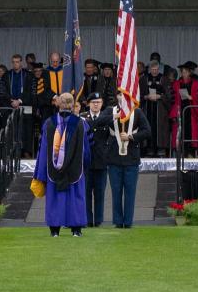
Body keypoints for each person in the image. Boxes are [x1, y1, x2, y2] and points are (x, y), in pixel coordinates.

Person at [32, 92, 89, 237]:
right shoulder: (81, 123)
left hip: (54, 168)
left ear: (58, 103)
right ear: (72, 105)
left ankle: (55, 231)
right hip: (75, 169)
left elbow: (43, 149)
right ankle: (76, 230)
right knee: (75, 198)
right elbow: (86, 149)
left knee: (56, 198)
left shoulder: (49, 123)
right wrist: (86, 165)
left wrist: (41, 172)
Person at [94, 98, 150, 228]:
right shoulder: (110, 110)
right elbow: (98, 122)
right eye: (120, 94)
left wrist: (131, 137)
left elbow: (147, 131)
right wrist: (115, 116)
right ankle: (118, 221)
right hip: (114, 157)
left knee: (130, 192)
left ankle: (128, 221)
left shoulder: (137, 112)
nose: (122, 97)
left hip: (131, 158)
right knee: (116, 191)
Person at [84, 94, 111, 227]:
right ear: (88, 103)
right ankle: (88, 220)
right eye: (93, 102)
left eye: (98, 102)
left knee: (100, 193)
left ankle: (99, 220)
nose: (96, 104)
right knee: (86, 193)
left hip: (101, 161)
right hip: (86, 162)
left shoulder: (106, 118)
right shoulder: (83, 117)